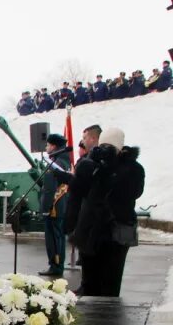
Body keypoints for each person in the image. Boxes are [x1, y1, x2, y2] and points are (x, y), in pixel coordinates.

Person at [72, 128, 145, 296]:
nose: (106, 149)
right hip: (92, 228)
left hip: (116, 230)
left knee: (110, 282)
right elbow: (80, 190)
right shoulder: (93, 162)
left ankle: (108, 317)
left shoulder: (133, 168)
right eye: (103, 145)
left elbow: (133, 192)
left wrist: (112, 169)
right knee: (90, 280)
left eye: (109, 145)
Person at [53, 124, 101, 294]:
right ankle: (86, 285)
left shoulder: (94, 161)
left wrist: (64, 177)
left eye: (86, 137)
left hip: (88, 210)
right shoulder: (88, 159)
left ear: (94, 139)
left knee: (89, 251)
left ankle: (89, 287)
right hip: (81, 209)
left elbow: (81, 185)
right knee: (86, 252)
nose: (83, 140)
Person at [38, 134, 70, 277]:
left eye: (48, 145)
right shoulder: (65, 161)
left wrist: (44, 209)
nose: (46, 148)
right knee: (59, 237)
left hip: (54, 207)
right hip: (61, 205)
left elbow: (50, 188)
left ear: (54, 146)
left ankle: (55, 265)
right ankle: (58, 264)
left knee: (53, 238)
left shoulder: (55, 164)